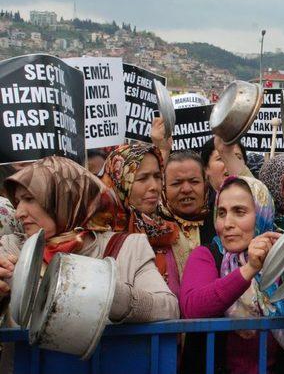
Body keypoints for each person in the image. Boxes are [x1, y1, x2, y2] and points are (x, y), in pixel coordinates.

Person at [0, 157, 179, 370]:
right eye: (18, 202)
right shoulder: (13, 248)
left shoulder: (127, 247)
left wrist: (100, 293)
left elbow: (167, 308)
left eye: (29, 199)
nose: (19, 212)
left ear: (65, 198)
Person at [180, 176, 284, 373]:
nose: (227, 223)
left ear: (262, 214)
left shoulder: (283, 258)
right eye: (221, 213)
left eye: (239, 212)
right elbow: (193, 308)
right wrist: (249, 269)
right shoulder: (206, 256)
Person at [101, 144, 183, 294]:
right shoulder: (101, 240)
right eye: (142, 178)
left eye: (158, 177)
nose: (154, 186)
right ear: (120, 181)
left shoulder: (172, 233)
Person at [161, 150, 213, 280]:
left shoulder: (220, 224)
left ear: (205, 185)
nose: (186, 189)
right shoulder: (155, 228)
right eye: (176, 183)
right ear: (163, 188)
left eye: (194, 181)